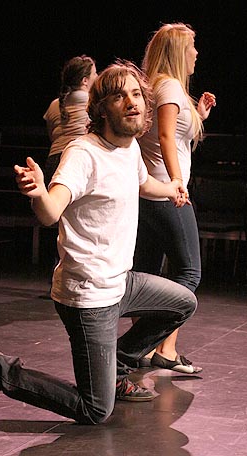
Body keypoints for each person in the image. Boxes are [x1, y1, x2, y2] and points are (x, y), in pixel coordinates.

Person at [0, 60, 198, 425]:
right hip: (88, 296)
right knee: (96, 410)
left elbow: (144, 183)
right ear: (101, 108)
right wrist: (39, 192)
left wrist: (172, 189)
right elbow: (52, 210)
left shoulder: (129, 148)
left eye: (136, 94)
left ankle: (114, 366)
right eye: (120, 97)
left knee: (183, 302)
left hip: (122, 283)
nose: (132, 102)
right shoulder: (83, 154)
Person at [132, 23, 216, 373]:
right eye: (192, 47)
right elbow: (165, 136)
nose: (196, 53)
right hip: (167, 191)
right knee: (189, 273)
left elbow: (175, 135)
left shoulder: (165, 87)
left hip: (157, 191)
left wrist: (199, 115)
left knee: (151, 275)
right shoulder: (168, 86)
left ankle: (151, 348)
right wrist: (178, 182)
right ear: (179, 51)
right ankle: (150, 346)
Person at [43, 54, 98, 185]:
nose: (97, 77)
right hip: (78, 157)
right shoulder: (93, 101)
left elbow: (52, 135)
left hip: (54, 159)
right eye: (95, 74)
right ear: (85, 80)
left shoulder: (54, 104)